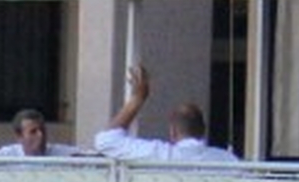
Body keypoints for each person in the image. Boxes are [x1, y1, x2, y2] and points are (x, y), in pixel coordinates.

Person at [91, 65, 239, 164]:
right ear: (203, 131)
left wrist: (138, 99)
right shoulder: (227, 160)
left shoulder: (161, 155)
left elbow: (106, 141)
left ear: (173, 132)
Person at [0, 107, 85, 160]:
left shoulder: (60, 153)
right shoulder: (8, 155)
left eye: (42, 130)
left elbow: (90, 157)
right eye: (33, 132)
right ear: (19, 137)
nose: (40, 135)